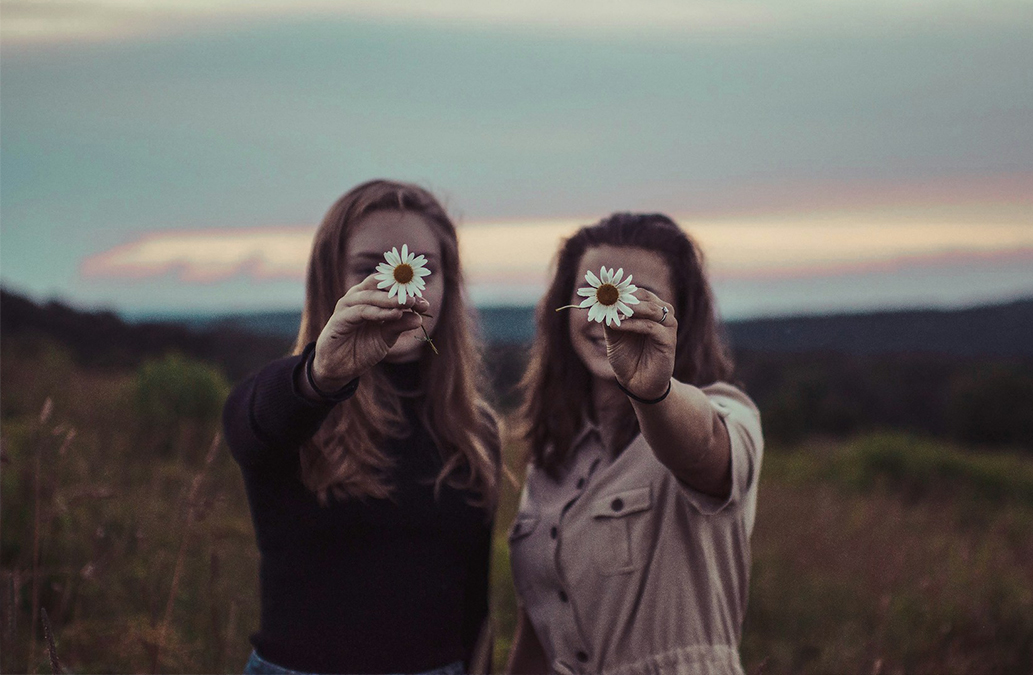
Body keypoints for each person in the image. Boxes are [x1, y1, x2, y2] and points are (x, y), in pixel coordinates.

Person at [222, 180, 499, 675]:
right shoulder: (294, 401)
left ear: (448, 286)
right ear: (329, 279)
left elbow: (475, 603)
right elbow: (250, 424)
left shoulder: (475, 430)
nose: (399, 284)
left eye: (423, 269)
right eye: (370, 267)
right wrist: (321, 375)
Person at [505, 213, 765, 674]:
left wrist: (653, 391)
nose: (612, 312)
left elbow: (704, 447)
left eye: (640, 297)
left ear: (681, 314)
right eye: (597, 292)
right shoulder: (552, 458)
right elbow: (540, 634)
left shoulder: (725, 413)